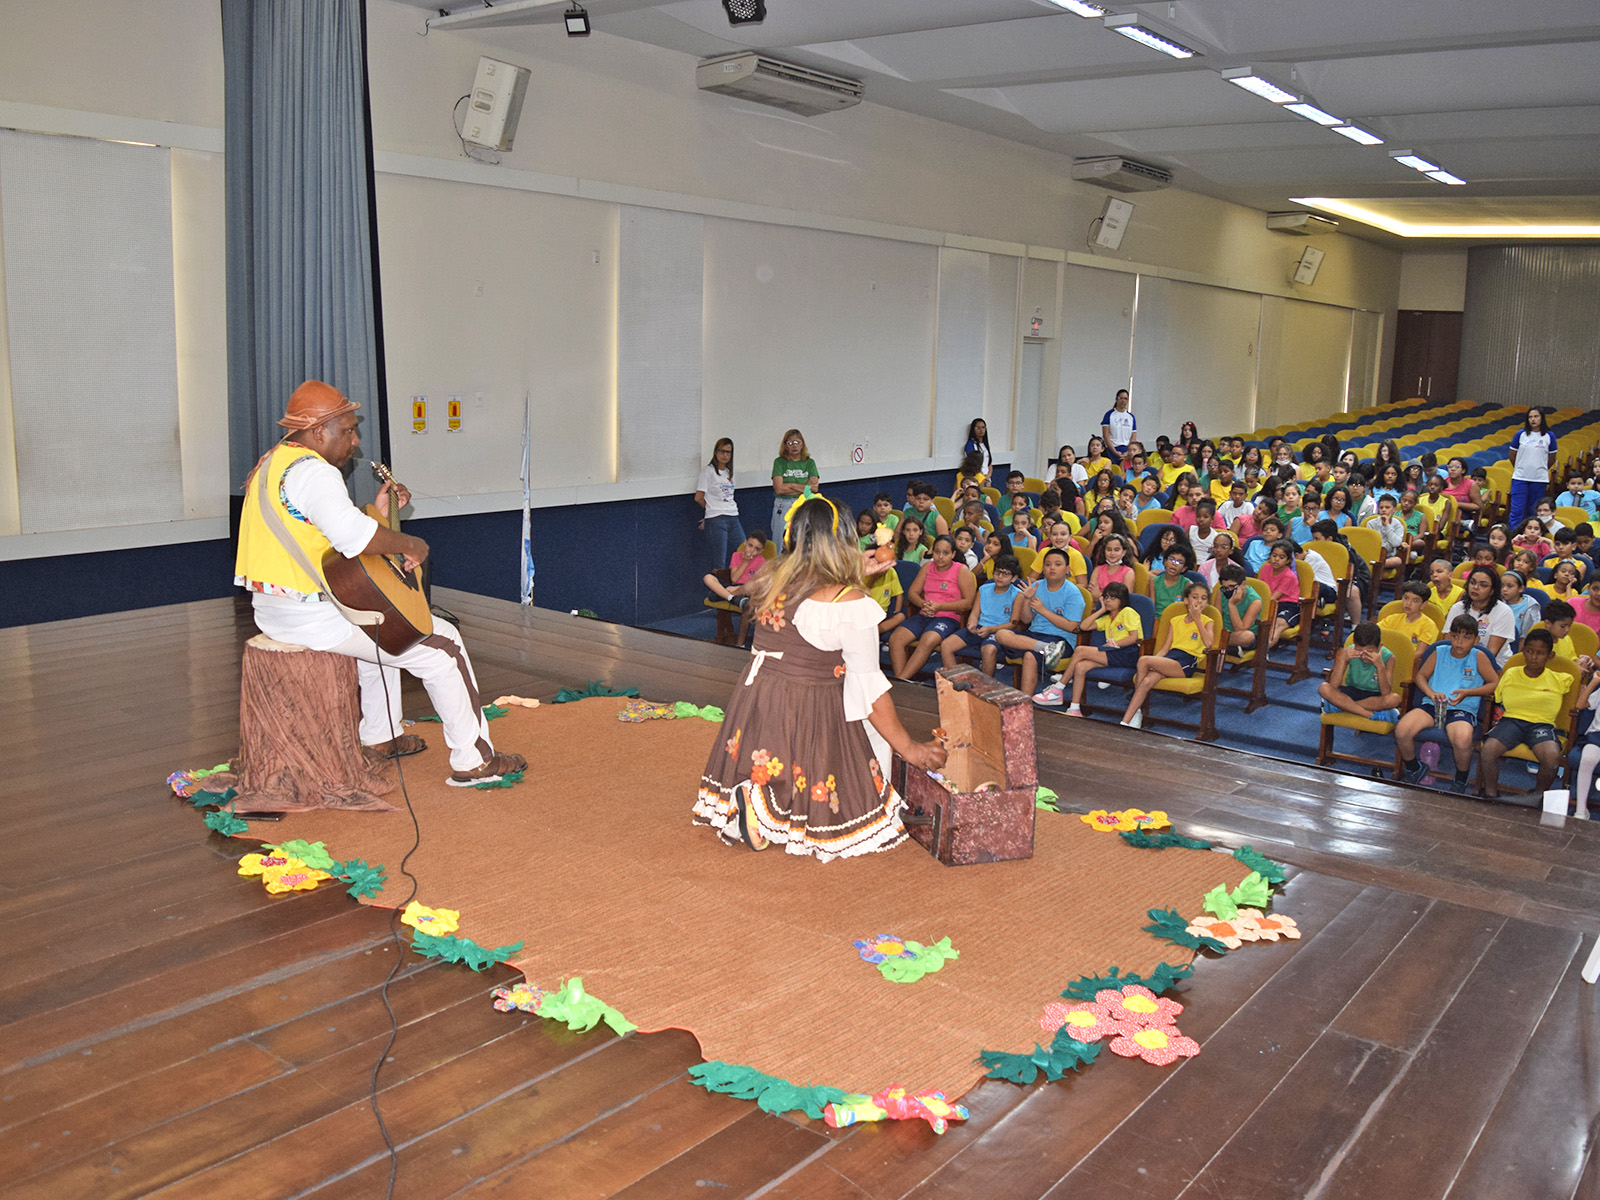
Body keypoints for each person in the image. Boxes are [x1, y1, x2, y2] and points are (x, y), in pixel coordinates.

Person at [234, 380, 524, 786]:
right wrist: (410, 543)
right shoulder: (315, 473)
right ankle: (474, 760)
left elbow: (321, 531)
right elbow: (354, 539)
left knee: (386, 628)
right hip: (314, 615)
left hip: (277, 608)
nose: (355, 440)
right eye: (348, 430)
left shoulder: (276, 463)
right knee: (443, 644)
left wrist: (379, 511)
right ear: (319, 432)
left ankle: (381, 735)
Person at [694, 496, 946, 858]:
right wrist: (912, 749)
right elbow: (869, 689)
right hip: (806, 703)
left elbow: (810, 593)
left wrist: (857, 571)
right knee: (862, 762)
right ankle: (767, 799)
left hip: (758, 697)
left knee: (776, 759)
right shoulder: (848, 602)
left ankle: (754, 796)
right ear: (844, 539)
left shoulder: (770, 575)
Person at [1395, 615, 1499, 793]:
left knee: (1462, 738)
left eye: (1466, 638)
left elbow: (1494, 683)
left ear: (1476, 640)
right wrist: (1431, 693)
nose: (1459, 642)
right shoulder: (1440, 651)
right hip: (1432, 704)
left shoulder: (1479, 656)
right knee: (1402, 730)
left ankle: (1461, 777)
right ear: (1449, 636)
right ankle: (1414, 768)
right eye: (1456, 636)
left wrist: (1468, 692)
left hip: (1461, 708)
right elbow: (1420, 676)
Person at [1479, 629, 1572, 799]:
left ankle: (1537, 795)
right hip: (1512, 721)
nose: (1534, 657)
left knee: (1552, 757)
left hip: (1541, 724)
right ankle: (1491, 794)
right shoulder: (1511, 674)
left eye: (1540, 653)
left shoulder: (1561, 679)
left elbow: (1578, 692)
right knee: (1488, 750)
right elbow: (1498, 698)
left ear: (1550, 656)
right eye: (1529, 651)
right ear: (1523, 651)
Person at [1121, 580, 1213, 729]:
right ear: (1186, 600)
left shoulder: (1207, 622)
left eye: (1203, 598)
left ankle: (1135, 709)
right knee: (1146, 682)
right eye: (1195, 597)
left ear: (1207, 603)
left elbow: (1209, 644)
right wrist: (1156, 661)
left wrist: (1197, 619)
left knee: (1144, 661)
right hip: (1170, 657)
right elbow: (1165, 649)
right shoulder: (1175, 620)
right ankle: (1127, 721)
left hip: (1186, 661)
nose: (1199, 601)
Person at [1046, 581, 1143, 715]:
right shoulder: (1107, 618)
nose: (1108, 601)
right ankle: (1074, 708)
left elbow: (1134, 637)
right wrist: (1101, 610)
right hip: (1115, 652)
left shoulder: (1128, 612)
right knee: (1081, 667)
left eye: (1113, 598)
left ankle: (1058, 688)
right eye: (1106, 597)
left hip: (1129, 652)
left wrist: (1113, 643)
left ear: (1123, 599)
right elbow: (1084, 627)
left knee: (1080, 650)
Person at [888, 535, 976, 680]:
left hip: (948, 618)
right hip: (925, 614)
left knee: (927, 641)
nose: (940, 557)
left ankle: (901, 680)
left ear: (953, 554)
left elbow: (968, 602)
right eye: (937, 552)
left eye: (945, 553)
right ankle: (901, 679)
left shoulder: (961, 570)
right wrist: (923, 604)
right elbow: (912, 593)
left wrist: (940, 606)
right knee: (896, 639)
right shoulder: (928, 567)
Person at [997, 548, 1082, 696]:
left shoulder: (1073, 593)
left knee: (1030, 655)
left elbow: (1071, 626)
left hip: (1061, 640)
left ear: (1068, 569)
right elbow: (1026, 619)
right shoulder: (1036, 587)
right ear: (1042, 568)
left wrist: (1043, 610)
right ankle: (1046, 648)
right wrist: (1027, 599)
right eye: (1048, 564)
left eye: (1057, 564)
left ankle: (1025, 700)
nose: (1052, 568)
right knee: (1001, 634)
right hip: (1035, 635)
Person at [940, 554, 1021, 675]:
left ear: (1014, 578)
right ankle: (957, 682)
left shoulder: (1017, 594)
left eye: (1006, 574)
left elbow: (1012, 624)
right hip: (979, 627)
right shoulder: (984, 589)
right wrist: (971, 623)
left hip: (998, 631)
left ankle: (985, 688)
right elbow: (974, 613)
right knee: (946, 645)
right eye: (998, 572)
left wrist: (990, 629)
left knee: (989, 650)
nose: (1000, 576)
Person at [1317, 620, 1401, 721]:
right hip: (1351, 692)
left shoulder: (1389, 657)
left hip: (1374, 695)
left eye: (1369, 651)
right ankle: (1369, 714)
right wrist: (1343, 660)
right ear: (1354, 645)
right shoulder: (1349, 651)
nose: (1363, 656)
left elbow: (1386, 692)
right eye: (1359, 650)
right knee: (1323, 688)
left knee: (1393, 699)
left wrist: (1380, 666)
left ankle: (1341, 707)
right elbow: (1334, 685)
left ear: (1379, 646)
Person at [696, 437, 745, 570]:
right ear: (716, 453)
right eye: (722, 451)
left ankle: (738, 586)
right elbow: (699, 497)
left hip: (733, 516)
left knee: (744, 551)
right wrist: (710, 512)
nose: (725, 455)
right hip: (717, 518)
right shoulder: (708, 471)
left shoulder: (730, 473)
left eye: (728, 452)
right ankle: (717, 589)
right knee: (720, 560)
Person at [1508, 407, 1557, 531]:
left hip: (1539, 479)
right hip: (1520, 478)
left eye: (1536, 416)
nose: (1533, 419)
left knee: (1533, 510)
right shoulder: (1521, 434)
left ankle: (1531, 536)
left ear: (1542, 418)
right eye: (1530, 417)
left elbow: (1551, 459)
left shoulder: (1549, 436)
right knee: (1517, 510)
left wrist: (1540, 468)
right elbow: (1512, 455)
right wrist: (1521, 467)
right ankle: (1514, 536)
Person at [771, 429, 819, 536]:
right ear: (785, 446)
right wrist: (805, 487)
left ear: (802, 444)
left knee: (803, 539)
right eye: (790, 443)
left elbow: (814, 488)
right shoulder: (779, 462)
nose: (794, 446)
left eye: (797, 442)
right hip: (783, 505)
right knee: (780, 542)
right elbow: (779, 489)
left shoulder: (809, 463)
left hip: (803, 503)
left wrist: (790, 485)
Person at [703, 531, 768, 604]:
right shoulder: (736, 555)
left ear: (760, 551)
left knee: (713, 595)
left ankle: (725, 595)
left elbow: (758, 582)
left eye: (757, 549)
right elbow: (734, 579)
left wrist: (737, 589)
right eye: (750, 545)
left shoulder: (761, 561)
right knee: (707, 577)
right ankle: (733, 599)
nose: (752, 550)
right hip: (733, 585)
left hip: (745, 588)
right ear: (745, 543)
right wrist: (745, 562)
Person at [1380, 581, 1440, 650]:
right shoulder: (1392, 619)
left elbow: (1420, 652)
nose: (1408, 603)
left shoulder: (1429, 625)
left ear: (1423, 604)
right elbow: (1375, 633)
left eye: (1415, 601)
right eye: (1406, 598)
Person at [1217, 564, 1261, 652]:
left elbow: (1240, 628)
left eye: (1232, 587)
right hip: (1224, 632)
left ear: (1243, 585)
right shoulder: (1221, 591)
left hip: (1240, 635)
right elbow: (1217, 617)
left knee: (1248, 637)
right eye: (1225, 587)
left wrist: (1232, 605)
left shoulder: (1255, 601)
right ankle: (1229, 648)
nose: (1228, 590)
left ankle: (1221, 646)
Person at [1101, 389, 1136, 458]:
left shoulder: (1131, 417)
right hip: (1112, 449)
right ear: (1116, 399)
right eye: (1121, 398)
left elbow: (1133, 436)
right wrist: (1114, 452)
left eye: (1125, 399)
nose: (1123, 401)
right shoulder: (1109, 415)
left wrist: (1128, 452)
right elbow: (1106, 436)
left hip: (1127, 449)